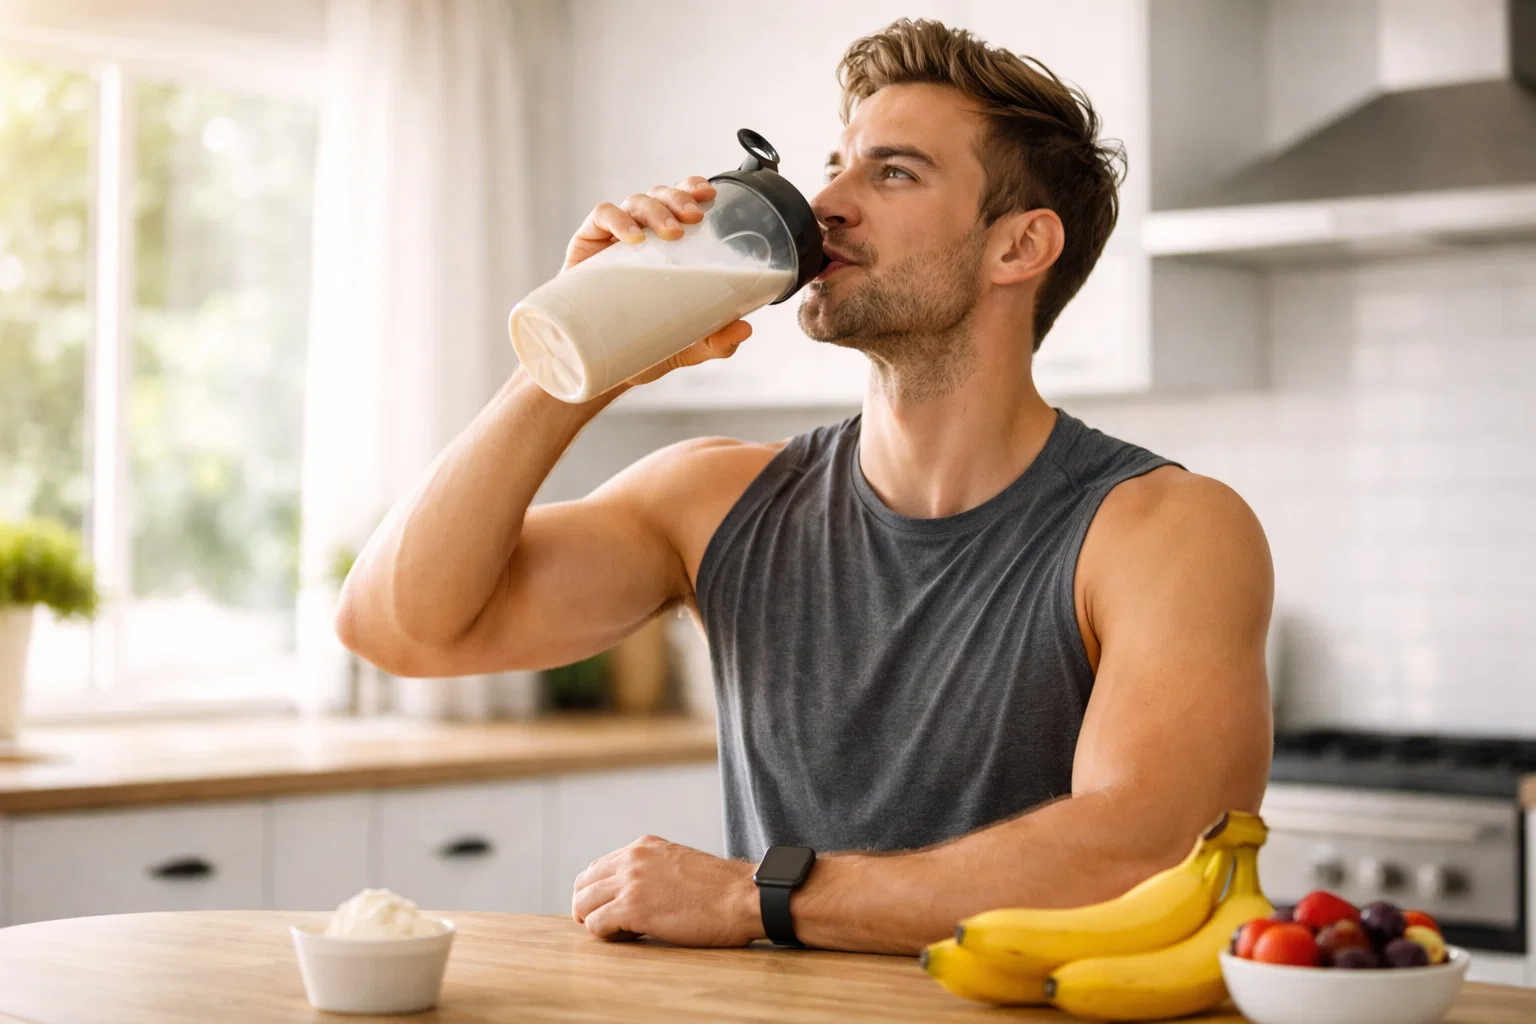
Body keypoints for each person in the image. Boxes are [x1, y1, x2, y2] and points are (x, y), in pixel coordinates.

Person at [335, 18, 1274, 956]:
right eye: (835, 163)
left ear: (1018, 247)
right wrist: (580, 353)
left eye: (892, 172)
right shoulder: (715, 501)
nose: (823, 201)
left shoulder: (1162, 529)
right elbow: (401, 628)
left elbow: (1150, 857)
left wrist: (757, 896)